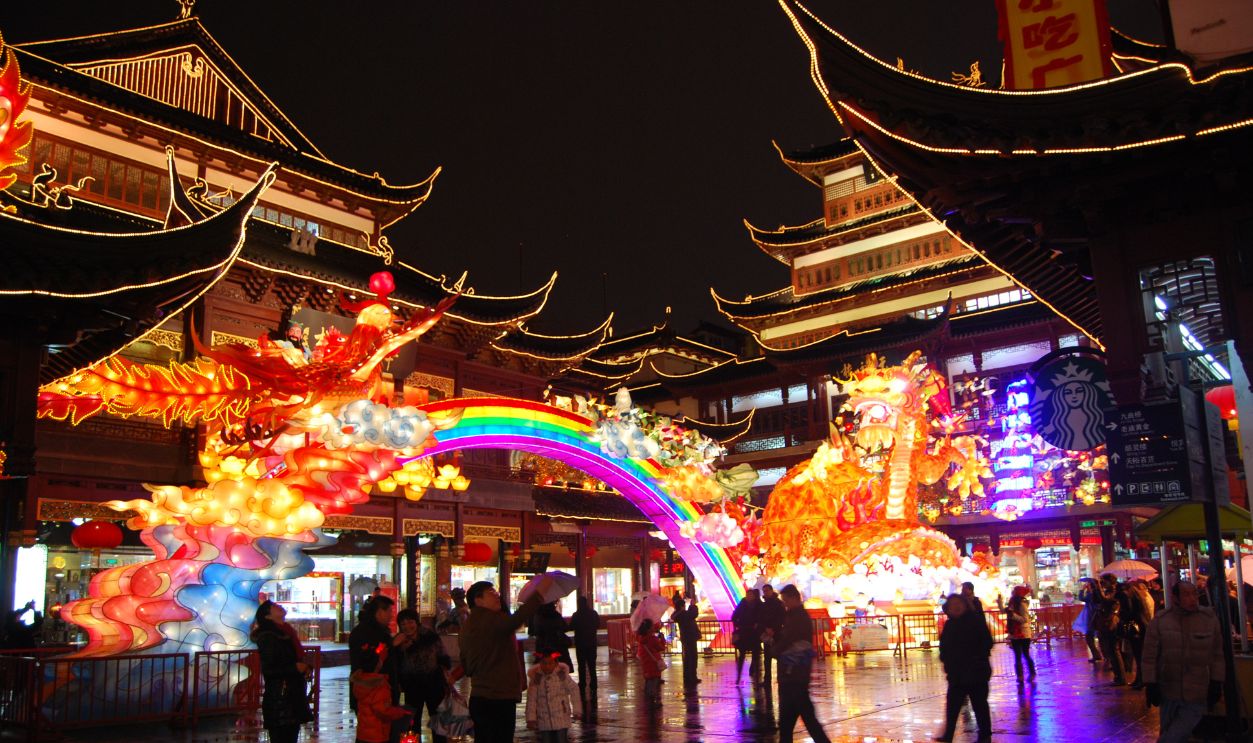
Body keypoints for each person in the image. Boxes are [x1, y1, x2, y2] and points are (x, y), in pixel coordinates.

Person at [460, 578, 546, 742]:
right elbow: (516, 620)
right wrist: (538, 595)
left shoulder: (469, 624)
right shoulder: (487, 619)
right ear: (478, 600)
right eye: (491, 593)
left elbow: (466, 663)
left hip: (481, 695)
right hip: (497, 697)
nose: (497, 595)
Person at [1143, 581, 1225, 743]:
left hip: (1197, 690)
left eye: (1194, 593)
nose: (1192, 599)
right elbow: (1149, 656)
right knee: (1170, 731)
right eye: (1186, 595)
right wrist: (1150, 683)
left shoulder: (1208, 619)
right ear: (1175, 598)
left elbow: (1217, 654)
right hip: (1169, 690)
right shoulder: (1161, 621)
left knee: (1173, 736)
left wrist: (1217, 681)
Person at [774, 584, 831, 743]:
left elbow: (788, 639)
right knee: (789, 720)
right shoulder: (796, 615)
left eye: (785, 600)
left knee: (802, 717)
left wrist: (775, 649)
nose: (784, 603)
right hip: (795, 674)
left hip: (794, 673)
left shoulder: (797, 617)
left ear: (793, 598)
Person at [251, 601, 313, 743]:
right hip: (280, 697)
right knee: (283, 737)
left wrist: (304, 667)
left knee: (291, 736)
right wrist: (295, 667)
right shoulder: (268, 636)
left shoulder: (286, 632)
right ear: (268, 616)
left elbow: (291, 659)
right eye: (273, 606)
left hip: (292, 694)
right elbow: (269, 669)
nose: (278, 606)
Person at [936, 593, 994, 743]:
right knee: (952, 706)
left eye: (958, 603)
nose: (955, 607)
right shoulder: (949, 624)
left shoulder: (976, 621)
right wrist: (946, 660)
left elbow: (987, 642)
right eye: (951, 604)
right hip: (957, 673)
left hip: (976, 671)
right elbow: (944, 646)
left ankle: (985, 735)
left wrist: (977, 658)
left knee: (979, 704)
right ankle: (948, 734)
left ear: (964, 605)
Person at [392, 608, 452, 743]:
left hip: (434, 684)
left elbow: (443, 656)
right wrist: (397, 648)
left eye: (410, 622)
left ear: (416, 622)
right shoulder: (398, 641)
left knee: (437, 720)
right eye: (403, 624)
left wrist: (446, 672)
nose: (407, 626)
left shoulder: (430, 636)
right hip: (412, 686)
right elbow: (392, 664)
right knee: (411, 722)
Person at [525, 652, 582, 741]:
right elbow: (531, 699)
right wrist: (531, 718)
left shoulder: (561, 675)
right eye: (544, 663)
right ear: (540, 663)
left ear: (556, 663)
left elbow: (574, 690)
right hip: (544, 719)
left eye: (550, 663)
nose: (547, 666)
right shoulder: (537, 678)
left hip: (561, 717)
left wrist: (577, 710)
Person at [1096, 573, 1129, 685]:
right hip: (1107, 623)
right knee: (1111, 651)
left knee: (1114, 650)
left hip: (1112, 624)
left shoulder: (1114, 591)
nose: (1102, 584)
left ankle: (1121, 678)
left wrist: (1098, 588)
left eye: (1103, 582)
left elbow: (1106, 600)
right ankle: (1118, 676)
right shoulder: (1110, 591)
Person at [1126, 581, 1155, 689]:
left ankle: (1141, 680)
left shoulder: (1137, 601)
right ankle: (1139, 679)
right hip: (1143, 629)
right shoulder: (1142, 599)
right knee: (1139, 657)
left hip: (1139, 631)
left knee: (1139, 657)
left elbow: (1134, 614)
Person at [529, 601, 574, 673]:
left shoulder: (538, 616)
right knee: (560, 669)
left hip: (543, 646)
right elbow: (565, 628)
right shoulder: (556, 616)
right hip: (558, 646)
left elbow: (534, 631)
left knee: (544, 669)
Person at [569, 595, 601, 696]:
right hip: (591, 642)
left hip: (580, 643)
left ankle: (582, 683)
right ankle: (593, 684)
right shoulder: (593, 613)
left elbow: (571, 626)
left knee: (581, 665)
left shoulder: (576, 615)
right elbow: (598, 624)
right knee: (592, 665)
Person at [671, 592, 701, 687]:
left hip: (686, 637)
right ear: (681, 606)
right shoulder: (683, 615)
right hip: (689, 637)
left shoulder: (679, 615)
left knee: (688, 658)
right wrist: (693, 605)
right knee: (691, 657)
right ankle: (691, 677)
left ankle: (688, 677)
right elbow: (693, 614)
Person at [1006, 585, 1036, 681]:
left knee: (1025, 654)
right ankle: (1020, 676)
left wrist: (1013, 615)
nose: (1013, 592)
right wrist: (1000, 604)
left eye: (1015, 590)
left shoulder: (1022, 604)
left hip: (1023, 633)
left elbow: (1024, 619)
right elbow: (1007, 611)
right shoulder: (1012, 602)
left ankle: (1031, 673)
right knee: (1017, 655)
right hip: (1014, 633)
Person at [732, 588, 762, 682]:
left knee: (755, 655)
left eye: (751, 595)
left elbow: (761, 617)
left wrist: (757, 624)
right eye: (748, 595)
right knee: (742, 655)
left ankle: (754, 674)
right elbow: (734, 616)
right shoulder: (743, 604)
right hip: (744, 632)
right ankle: (740, 676)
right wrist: (738, 624)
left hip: (753, 633)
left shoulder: (758, 605)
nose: (749, 597)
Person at [759, 584, 786, 685]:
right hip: (769, 633)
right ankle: (767, 679)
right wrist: (766, 628)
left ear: (771, 591)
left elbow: (781, 618)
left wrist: (773, 628)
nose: (765, 593)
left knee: (777, 655)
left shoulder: (778, 604)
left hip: (776, 632)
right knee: (767, 656)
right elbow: (761, 618)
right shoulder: (764, 605)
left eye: (767, 591)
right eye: (764, 591)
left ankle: (779, 677)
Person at [636, 618, 665, 709]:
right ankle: (653, 700)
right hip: (653, 663)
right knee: (654, 682)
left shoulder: (641, 638)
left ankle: (648, 699)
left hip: (646, 663)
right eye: (652, 626)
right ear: (649, 628)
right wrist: (662, 639)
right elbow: (660, 648)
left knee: (648, 680)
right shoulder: (652, 639)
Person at [1077, 578, 1103, 663]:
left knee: (1089, 636)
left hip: (1092, 617)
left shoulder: (1092, 594)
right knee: (1097, 636)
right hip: (1095, 616)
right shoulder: (1098, 593)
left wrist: (1082, 590)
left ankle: (1097, 655)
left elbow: (1081, 598)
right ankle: (1101, 656)